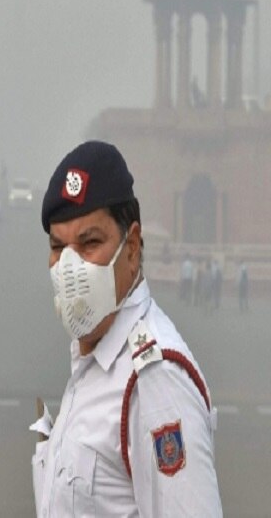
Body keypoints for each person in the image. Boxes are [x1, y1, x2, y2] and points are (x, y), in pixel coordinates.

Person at [30, 141, 221, 516]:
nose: (70, 268)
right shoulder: (96, 361)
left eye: (90, 244)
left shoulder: (154, 381)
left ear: (131, 247)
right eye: (58, 247)